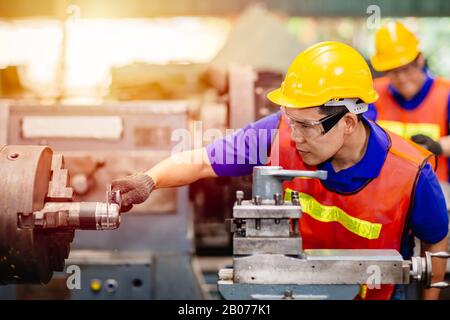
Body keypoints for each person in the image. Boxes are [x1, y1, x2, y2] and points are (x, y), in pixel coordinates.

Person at [111, 41, 448, 300]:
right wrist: (149, 179)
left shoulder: (411, 173)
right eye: (290, 121)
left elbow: (436, 243)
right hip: (299, 289)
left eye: (304, 125)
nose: (294, 136)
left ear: (347, 122)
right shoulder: (277, 134)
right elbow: (201, 160)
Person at [370, 21, 450, 181]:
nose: (401, 78)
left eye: (406, 69)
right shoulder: (373, 93)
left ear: (420, 60)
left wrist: (437, 146)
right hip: (385, 192)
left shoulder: (446, 93)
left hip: (435, 192)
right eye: (393, 71)